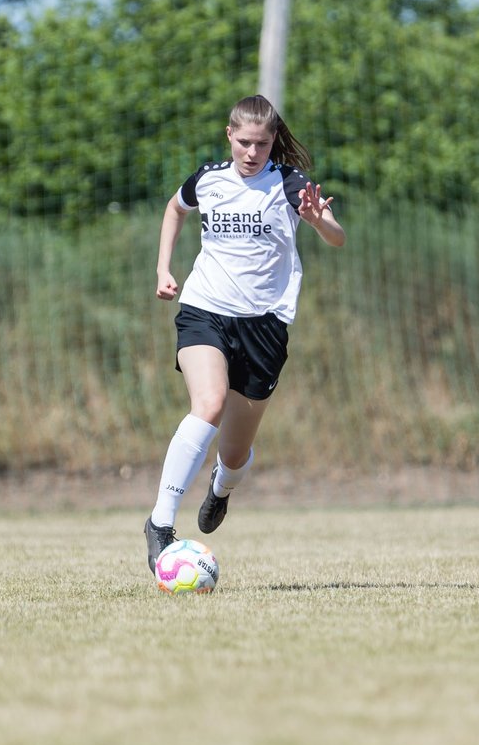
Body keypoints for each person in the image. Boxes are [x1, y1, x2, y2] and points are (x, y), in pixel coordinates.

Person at [144, 94, 347, 573]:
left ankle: (222, 487)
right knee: (208, 404)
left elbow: (337, 235)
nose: (252, 152)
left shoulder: (289, 184)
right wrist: (162, 269)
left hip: (265, 325)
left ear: (273, 140)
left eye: (261, 143)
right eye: (243, 142)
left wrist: (319, 222)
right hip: (205, 308)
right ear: (229, 137)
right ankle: (160, 523)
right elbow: (175, 210)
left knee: (234, 454)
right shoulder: (209, 178)